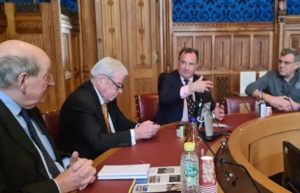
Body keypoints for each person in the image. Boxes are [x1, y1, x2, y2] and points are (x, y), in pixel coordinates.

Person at [0, 40, 96, 193]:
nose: (52, 82)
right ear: (23, 81)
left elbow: (44, 156)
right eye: (46, 76)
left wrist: (69, 165)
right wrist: (58, 186)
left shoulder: (29, 107)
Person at [58, 57, 160, 160]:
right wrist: (137, 133)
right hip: (87, 162)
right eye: (118, 85)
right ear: (101, 79)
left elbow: (120, 122)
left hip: (108, 154)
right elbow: (97, 141)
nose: (120, 91)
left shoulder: (106, 95)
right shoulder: (81, 101)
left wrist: (141, 127)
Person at [157, 47, 225, 125]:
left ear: (196, 66)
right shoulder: (166, 78)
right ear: (178, 62)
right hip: (171, 129)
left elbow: (210, 107)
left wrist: (214, 113)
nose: (186, 68)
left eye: (191, 64)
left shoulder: (201, 82)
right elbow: (165, 98)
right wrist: (192, 88)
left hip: (195, 129)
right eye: (183, 63)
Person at [245, 47, 300, 112]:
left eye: (286, 63)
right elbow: (250, 88)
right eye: (280, 61)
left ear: (297, 65)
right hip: (274, 117)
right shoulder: (271, 75)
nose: (281, 65)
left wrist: (297, 107)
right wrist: (270, 98)